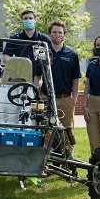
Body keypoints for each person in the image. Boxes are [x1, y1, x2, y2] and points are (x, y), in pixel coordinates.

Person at [34, 20, 81, 149]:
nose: (57, 35)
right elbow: (37, 76)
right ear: (50, 34)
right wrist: (38, 94)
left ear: (64, 35)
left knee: (66, 131)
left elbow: (76, 79)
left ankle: (67, 157)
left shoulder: (72, 54)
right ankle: (46, 158)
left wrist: (74, 99)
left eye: (60, 32)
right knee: (46, 131)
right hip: (46, 99)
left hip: (65, 99)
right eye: (54, 32)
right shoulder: (43, 54)